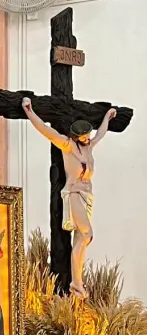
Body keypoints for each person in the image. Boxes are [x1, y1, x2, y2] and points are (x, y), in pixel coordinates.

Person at [22, 96, 116, 298]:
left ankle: (76, 283)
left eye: (89, 135)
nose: (89, 138)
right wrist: (30, 112)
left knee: (81, 239)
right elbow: (47, 131)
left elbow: (101, 133)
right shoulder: (67, 146)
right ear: (76, 136)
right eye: (85, 136)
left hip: (87, 196)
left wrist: (107, 117)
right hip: (73, 193)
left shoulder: (88, 146)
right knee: (87, 234)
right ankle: (76, 283)